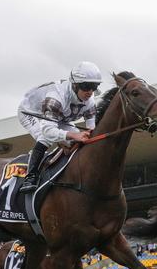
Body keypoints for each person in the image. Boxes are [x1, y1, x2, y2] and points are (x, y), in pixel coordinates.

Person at [17, 61, 102, 193]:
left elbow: (92, 129)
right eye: (86, 86)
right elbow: (48, 130)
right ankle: (31, 176)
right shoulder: (56, 97)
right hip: (33, 112)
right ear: (75, 85)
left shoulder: (90, 102)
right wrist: (74, 135)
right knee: (44, 137)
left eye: (94, 86)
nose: (90, 92)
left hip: (58, 116)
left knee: (75, 139)